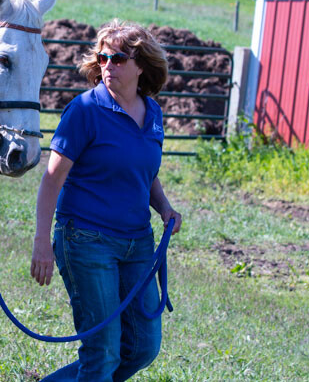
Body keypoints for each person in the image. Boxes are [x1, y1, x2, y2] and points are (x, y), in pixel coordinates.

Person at [30, 20, 183, 381]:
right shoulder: (85, 110)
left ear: (141, 64)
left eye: (118, 58)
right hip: (86, 241)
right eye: (103, 57)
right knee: (103, 352)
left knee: (142, 347)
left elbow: (143, 172)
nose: (108, 65)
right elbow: (52, 178)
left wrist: (164, 208)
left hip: (138, 244)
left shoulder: (153, 113)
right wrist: (41, 242)